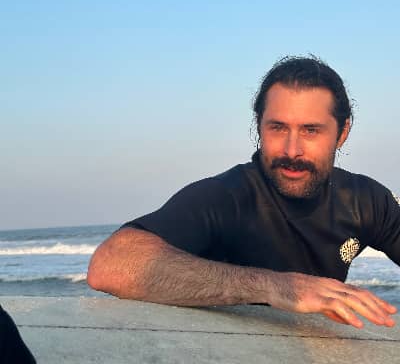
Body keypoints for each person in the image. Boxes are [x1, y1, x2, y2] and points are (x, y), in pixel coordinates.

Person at [87, 56, 399, 329]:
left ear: (342, 133)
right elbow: (110, 264)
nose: (292, 150)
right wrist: (277, 287)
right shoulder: (226, 197)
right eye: (278, 128)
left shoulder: (365, 201)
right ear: (259, 126)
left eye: (310, 130)